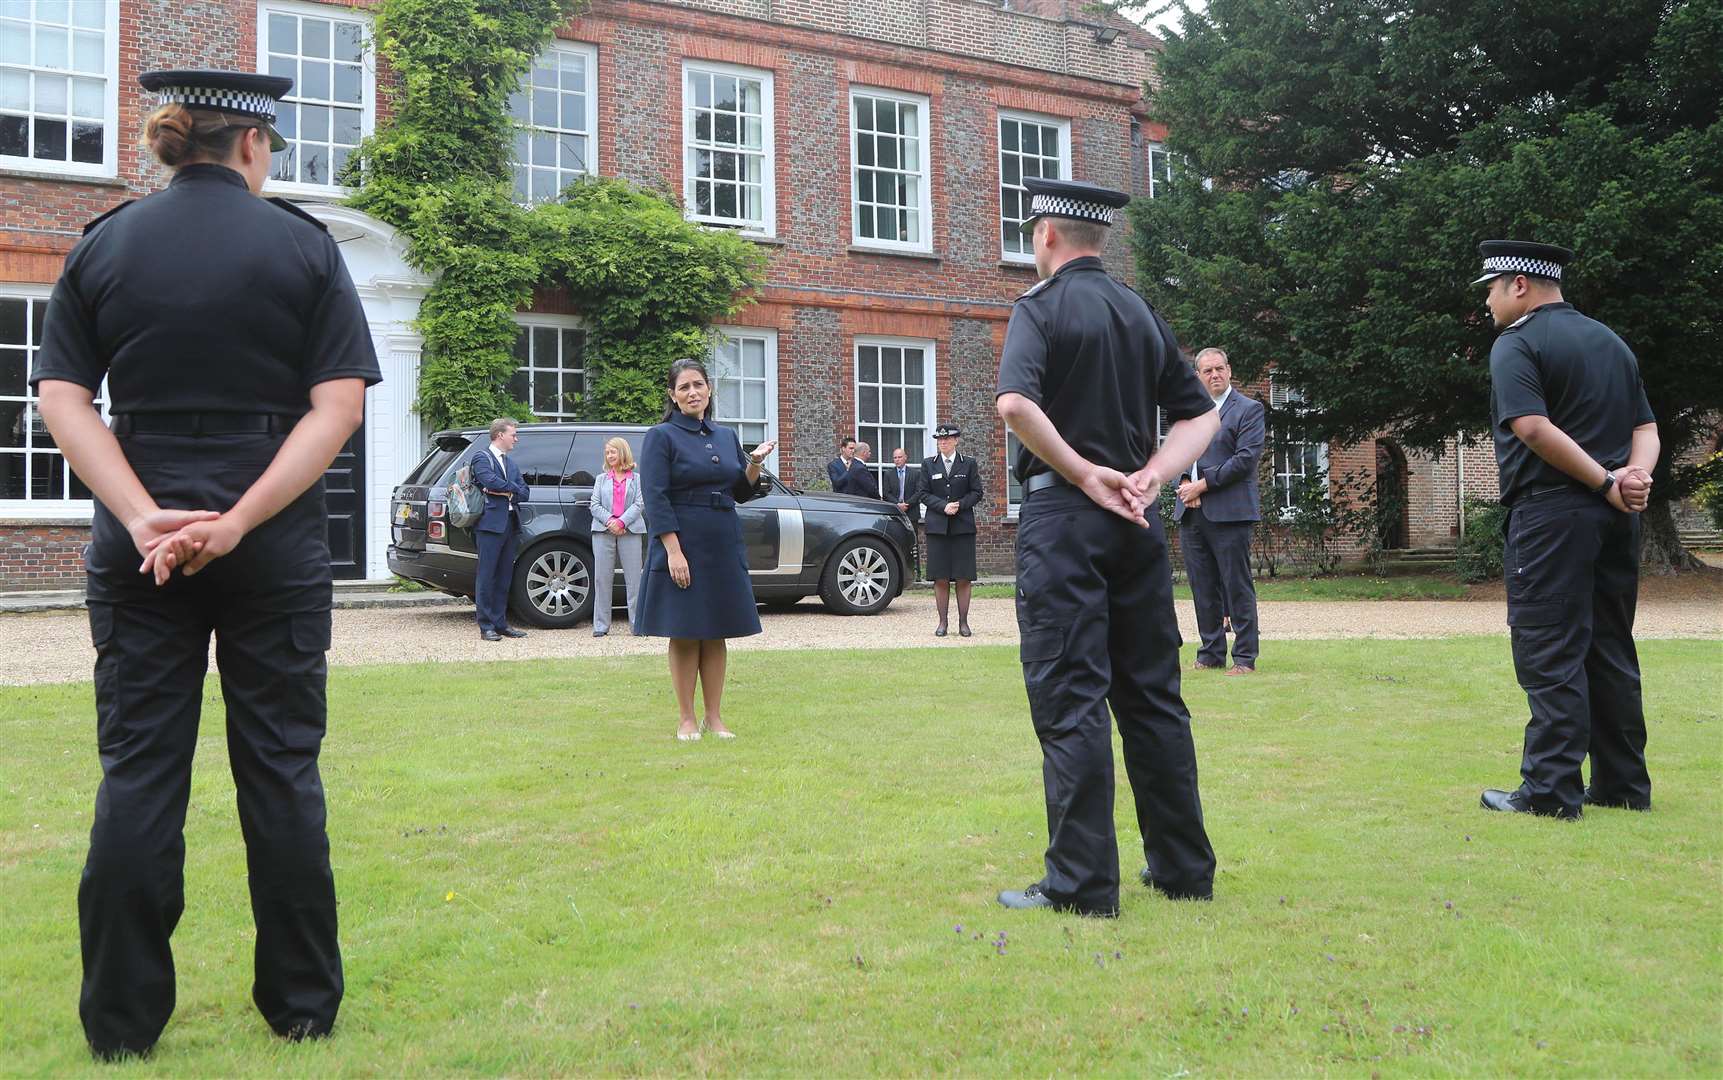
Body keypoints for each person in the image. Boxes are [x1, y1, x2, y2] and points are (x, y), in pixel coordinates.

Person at [31, 69, 381, 1057]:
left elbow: (63, 400)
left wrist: (145, 518)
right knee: (279, 770)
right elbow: (338, 408)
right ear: (253, 147)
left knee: (138, 774)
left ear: (178, 143)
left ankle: (120, 1027)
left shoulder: (103, 244)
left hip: (137, 545)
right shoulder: (303, 249)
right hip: (270, 543)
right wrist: (237, 521)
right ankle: (303, 1009)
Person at [993, 176, 1222, 916]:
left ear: (1047, 236)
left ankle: (1082, 883)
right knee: (1153, 695)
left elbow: (1014, 404)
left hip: (1065, 518)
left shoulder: (1039, 307)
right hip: (1134, 522)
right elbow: (1202, 419)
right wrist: (1152, 474)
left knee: (1071, 697)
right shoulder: (1138, 312)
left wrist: (1085, 472)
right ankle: (1183, 868)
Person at [1472, 240, 1658, 819]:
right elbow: (1645, 428)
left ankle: (1551, 792)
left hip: (1552, 516)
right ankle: (1622, 785)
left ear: (1519, 285)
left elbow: (1530, 426)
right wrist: (1633, 481)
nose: (1486, 301)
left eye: (1491, 287)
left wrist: (1605, 481)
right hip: (1613, 522)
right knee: (1609, 646)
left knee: (1550, 647)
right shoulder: (1611, 342)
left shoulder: (1517, 343)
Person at [634, 359, 777, 740]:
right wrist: (673, 551)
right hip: (683, 540)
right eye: (684, 387)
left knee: (716, 631)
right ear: (673, 395)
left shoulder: (726, 436)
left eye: (698, 384)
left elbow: (740, 492)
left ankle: (714, 718)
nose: (692, 392)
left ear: (709, 389)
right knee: (684, 631)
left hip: (722, 540)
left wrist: (755, 464)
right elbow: (655, 496)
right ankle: (685, 719)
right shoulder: (661, 436)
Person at [1173, 348, 1265, 675]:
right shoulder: (1191, 412)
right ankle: (1211, 652)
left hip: (1230, 511)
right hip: (1191, 511)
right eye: (1208, 371)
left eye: (1219, 369)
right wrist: (1185, 481)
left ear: (1229, 370)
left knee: (1236, 584)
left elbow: (1244, 460)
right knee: (1202, 585)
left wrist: (1203, 485)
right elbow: (1179, 451)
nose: (1215, 375)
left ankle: (1244, 657)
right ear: (1198, 376)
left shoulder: (1249, 410)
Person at [919, 424, 983, 636]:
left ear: (956, 440)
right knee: (941, 577)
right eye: (940, 439)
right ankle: (942, 622)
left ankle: (963, 623)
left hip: (962, 527)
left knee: (963, 577)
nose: (943, 442)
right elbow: (923, 493)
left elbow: (977, 492)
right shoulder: (929, 465)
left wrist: (960, 505)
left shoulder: (969, 464)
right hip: (937, 528)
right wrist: (942, 506)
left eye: (947, 439)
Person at [470, 418, 530, 642]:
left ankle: (500, 623)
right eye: (513, 434)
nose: (516, 438)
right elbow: (489, 481)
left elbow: (525, 492)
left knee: (504, 576)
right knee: (487, 576)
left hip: (510, 524)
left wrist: (508, 491)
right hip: (489, 526)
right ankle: (485, 626)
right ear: (499, 435)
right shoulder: (481, 457)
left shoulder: (511, 463)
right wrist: (506, 489)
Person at [587, 436, 646, 637]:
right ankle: (601, 626)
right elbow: (594, 505)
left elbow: (639, 504)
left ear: (623, 452)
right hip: (603, 531)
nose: (609, 455)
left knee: (634, 580)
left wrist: (622, 522)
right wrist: (611, 521)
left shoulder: (637, 479)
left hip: (630, 531)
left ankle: (637, 624)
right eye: (607, 452)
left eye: (613, 451)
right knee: (602, 579)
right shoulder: (601, 479)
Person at [887, 447, 925, 579]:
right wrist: (898, 505)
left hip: (911, 513)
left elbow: (919, 492)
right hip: (895, 514)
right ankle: (899, 574)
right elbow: (886, 493)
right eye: (895, 458)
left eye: (899, 457)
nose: (897, 460)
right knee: (897, 542)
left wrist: (907, 504)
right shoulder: (888, 474)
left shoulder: (915, 474)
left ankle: (917, 573)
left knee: (913, 543)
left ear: (905, 457)